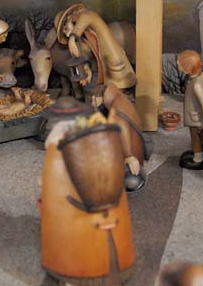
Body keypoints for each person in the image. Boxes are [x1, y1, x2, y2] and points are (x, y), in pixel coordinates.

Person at [40, 118, 135, 285]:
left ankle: (74, 276)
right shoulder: (105, 141)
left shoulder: (57, 149)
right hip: (116, 246)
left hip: (76, 253)